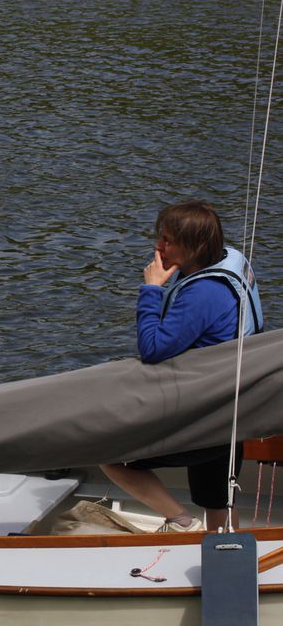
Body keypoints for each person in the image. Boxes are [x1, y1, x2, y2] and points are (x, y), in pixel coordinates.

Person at [101, 200, 264, 532]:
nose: (158, 247)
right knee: (218, 500)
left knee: (110, 455)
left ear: (196, 247)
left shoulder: (203, 292)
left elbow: (153, 349)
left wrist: (151, 289)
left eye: (167, 241)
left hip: (200, 417)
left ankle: (180, 521)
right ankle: (222, 549)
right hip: (229, 412)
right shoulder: (227, 262)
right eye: (160, 237)